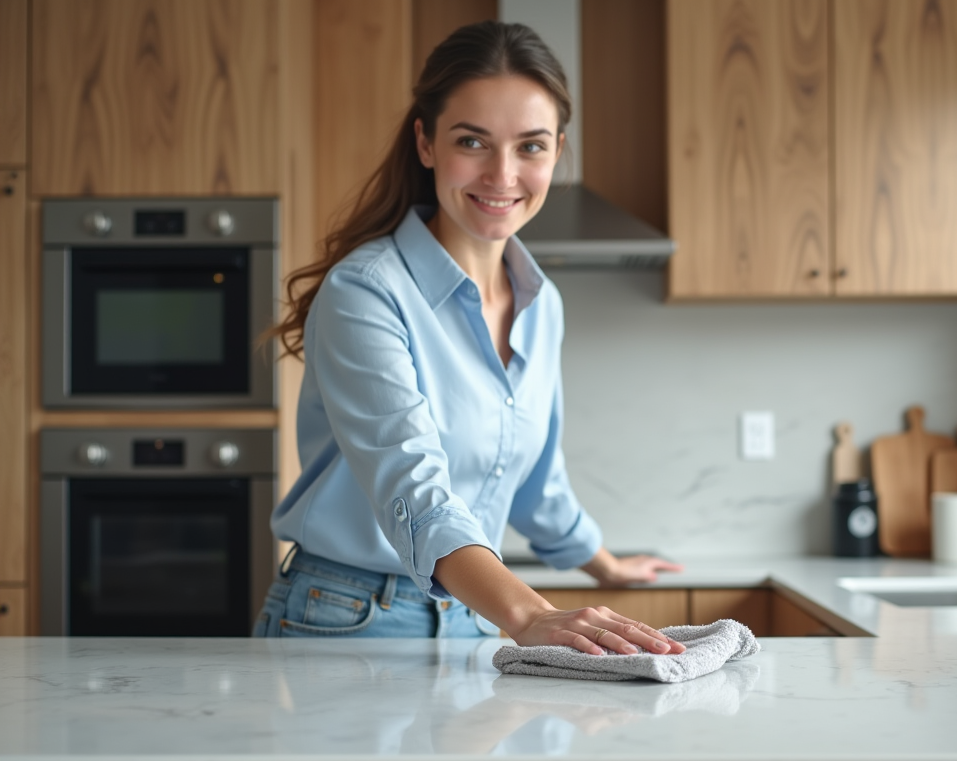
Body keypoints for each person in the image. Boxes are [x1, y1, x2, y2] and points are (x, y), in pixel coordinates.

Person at [254, 20, 685, 656]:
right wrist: (530, 614)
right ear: (426, 143)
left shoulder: (542, 305)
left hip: (475, 620)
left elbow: (535, 480)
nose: (502, 174)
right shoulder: (366, 293)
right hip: (346, 616)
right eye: (473, 141)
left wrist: (606, 565)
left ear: (558, 151)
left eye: (531, 147)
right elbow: (412, 485)